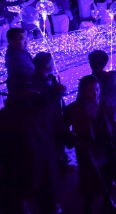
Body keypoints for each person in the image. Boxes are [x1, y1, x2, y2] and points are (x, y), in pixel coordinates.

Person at [65, 75, 116, 214]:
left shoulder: (105, 103)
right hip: (87, 147)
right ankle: (89, 204)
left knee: (108, 174)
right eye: (90, 91)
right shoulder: (75, 108)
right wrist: (74, 139)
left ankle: (107, 200)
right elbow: (64, 126)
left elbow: (114, 124)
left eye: (97, 89)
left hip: (106, 145)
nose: (95, 93)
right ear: (83, 92)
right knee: (89, 177)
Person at [0, 85, 61, 214]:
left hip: (21, 170)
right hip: (46, 168)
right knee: (47, 202)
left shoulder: (5, 117)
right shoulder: (43, 109)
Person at [5, 27, 35, 94]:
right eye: (21, 39)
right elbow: (22, 77)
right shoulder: (14, 57)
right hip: (23, 93)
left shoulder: (23, 52)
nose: (26, 42)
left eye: (26, 38)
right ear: (11, 41)